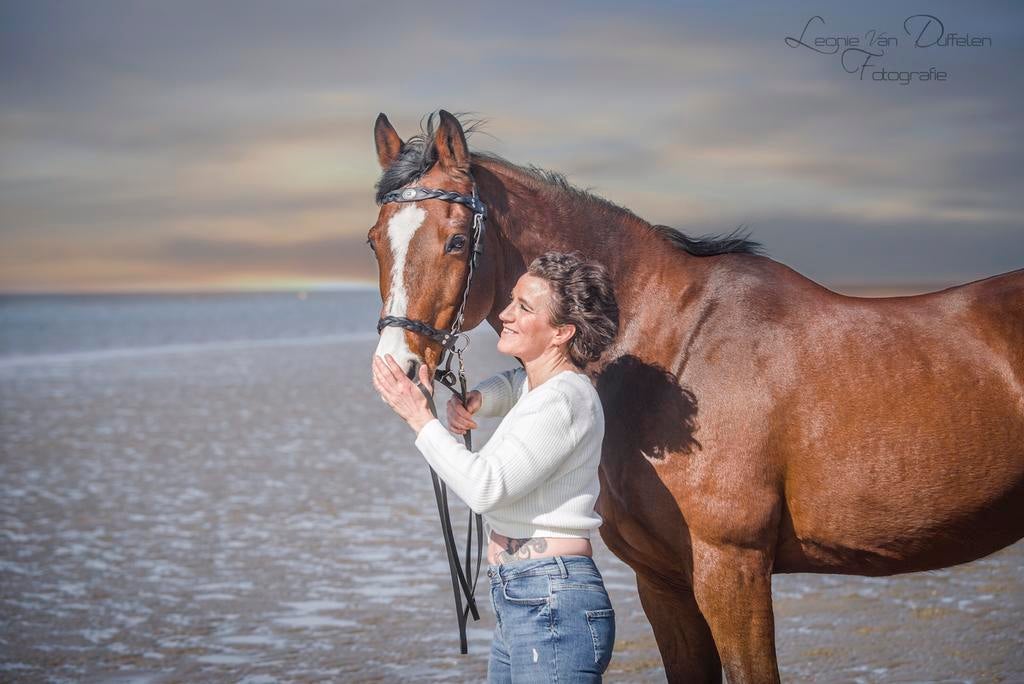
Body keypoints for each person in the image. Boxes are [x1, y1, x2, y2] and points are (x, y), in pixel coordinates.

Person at [371, 250, 620, 682]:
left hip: (550, 598)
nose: (504, 314)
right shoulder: (542, 386)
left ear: (561, 332)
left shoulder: (563, 400)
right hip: (523, 594)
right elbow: (514, 385)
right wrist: (477, 399)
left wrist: (419, 417)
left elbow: (486, 488)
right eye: (511, 300)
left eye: (524, 308)